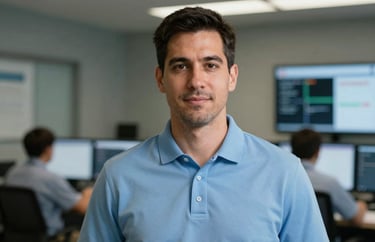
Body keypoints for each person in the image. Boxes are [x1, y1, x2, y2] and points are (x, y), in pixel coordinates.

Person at [78, 7, 328, 242]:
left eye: (210, 65)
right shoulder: (117, 176)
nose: (196, 81)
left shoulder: (285, 172)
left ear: (231, 77)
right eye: (180, 66)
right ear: (160, 79)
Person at [5, 127, 92, 238]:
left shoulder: (12, 173)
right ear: (48, 149)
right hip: (49, 237)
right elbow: (83, 208)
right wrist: (88, 193)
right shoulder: (50, 179)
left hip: (15, 236)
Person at [290, 128, 368, 225]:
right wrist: (362, 204)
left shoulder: (283, 179)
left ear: (292, 150)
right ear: (318, 152)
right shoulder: (329, 183)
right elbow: (357, 219)